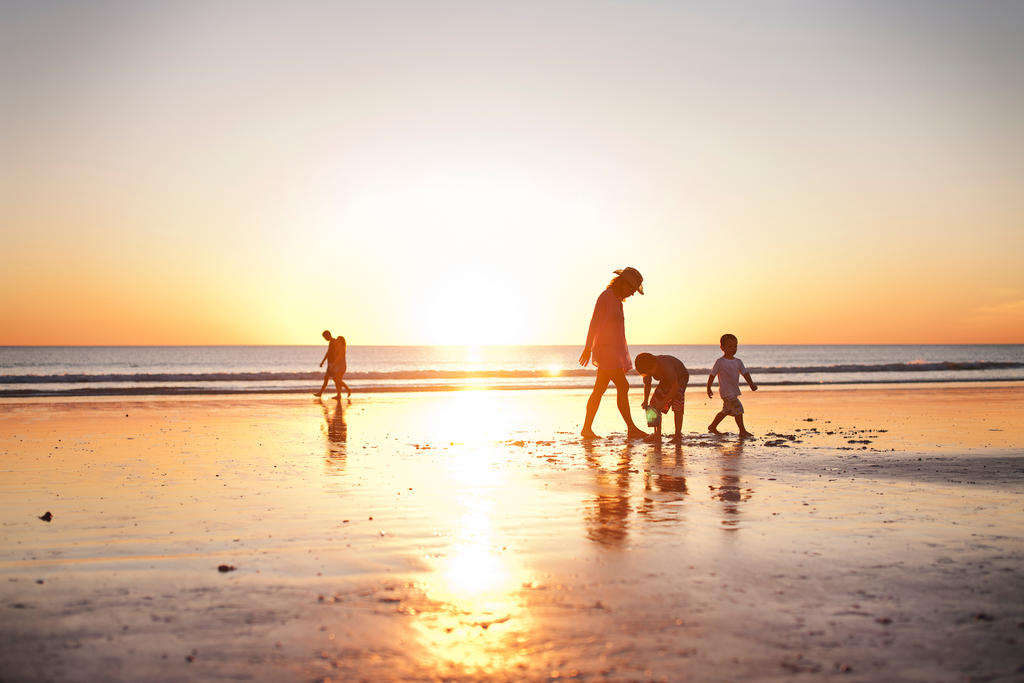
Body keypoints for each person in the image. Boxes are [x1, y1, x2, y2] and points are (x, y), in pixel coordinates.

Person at [579, 267, 648, 439]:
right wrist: (588, 347)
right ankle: (631, 428)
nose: (631, 294)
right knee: (622, 386)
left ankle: (587, 429)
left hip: (612, 352)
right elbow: (594, 323)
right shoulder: (606, 297)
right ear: (622, 283)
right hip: (606, 351)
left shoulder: (616, 300)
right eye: (631, 289)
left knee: (600, 390)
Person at [706, 333, 757, 437]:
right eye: (730, 346)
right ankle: (742, 431)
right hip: (726, 392)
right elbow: (712, 375)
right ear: (722, 347)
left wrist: (751, 384)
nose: (733, 348)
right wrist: (708, 387)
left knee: (726, 410)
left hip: (733, 391)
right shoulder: (720, 362)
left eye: (735, 346)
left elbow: (745, 373)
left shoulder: (738, 362)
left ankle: (712, 426)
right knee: (738, 409)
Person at [635, 352, 689, 442]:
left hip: (680, 378)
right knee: (653, 405)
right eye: (646, 373)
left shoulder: (666, 366)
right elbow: (647, 384)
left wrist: (663, 403)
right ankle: (657, 434)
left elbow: (674, 388)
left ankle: (678, 435)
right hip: (665, 379)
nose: (648, 374)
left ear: (653, 365)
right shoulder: (646, 368)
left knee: (677, 404)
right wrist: (645, 400)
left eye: (649, 372)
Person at [314, 330, 351, 399]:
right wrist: (323, 361)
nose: (325, 339)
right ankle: (341, 392)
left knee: (334, 379)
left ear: (328, 335)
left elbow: (335, 354)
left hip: (333, 364)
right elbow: (328, 353)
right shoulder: (332, 342)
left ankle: (346, 390)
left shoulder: (334, 342)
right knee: (333, 379)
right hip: (331, 363)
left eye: (325, 337)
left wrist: (333, 364)